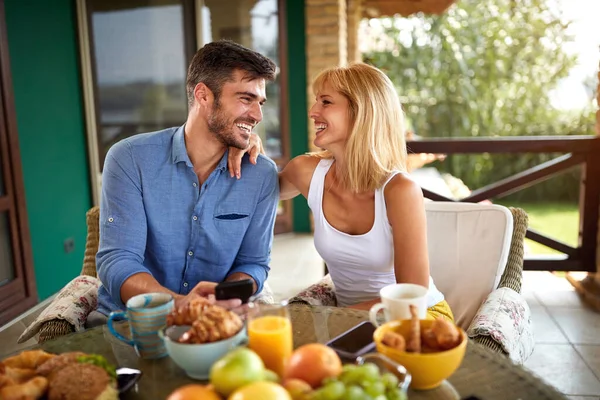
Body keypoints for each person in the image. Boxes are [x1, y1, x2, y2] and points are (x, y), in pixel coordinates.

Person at [231, 63, 453, 320]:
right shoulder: (307, 172)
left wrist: (332, 318)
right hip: (350, 323)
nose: (313, 111)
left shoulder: (399, 191)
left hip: (416, 318)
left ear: (361, 113)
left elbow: (411, 296)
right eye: (316, 101)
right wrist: (248, 143)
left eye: (326, 102)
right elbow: (257, 191)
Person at [94, 40, 279, 319]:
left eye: (260, 102)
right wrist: (181, 305)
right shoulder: (129, 159)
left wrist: (217, 303)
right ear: (203, 95)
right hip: (133, 323)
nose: (257, 115)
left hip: (217, 321)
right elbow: (118, 261)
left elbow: (253, 263)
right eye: (245, 99)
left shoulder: (261, 174)